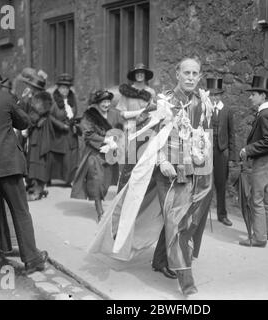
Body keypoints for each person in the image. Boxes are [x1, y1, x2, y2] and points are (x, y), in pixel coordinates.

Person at [89, 57, 213, 296]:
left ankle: (161, 261)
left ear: (199, 76)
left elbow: (203, 135)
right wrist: (161, 160)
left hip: (195, 171)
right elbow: (144, 133)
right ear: (177, 74)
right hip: (167, 171)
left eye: (194, 73)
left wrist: (204, 167)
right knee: (176, 222)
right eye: (185, 72)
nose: (190, 77)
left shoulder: (201, 101)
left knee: (186, 221)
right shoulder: (162, 100)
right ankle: (187, 284)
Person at [0, 58, 48, 286]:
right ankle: (32, 260)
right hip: (8, 165)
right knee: (20, 212)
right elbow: (24, 123)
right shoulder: (4, 97)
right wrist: (17, 104)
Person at [239, 76, 268, 247]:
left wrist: (247, 149)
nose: (250, 97)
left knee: (256, 198)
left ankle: (259, 238)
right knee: (266, 196)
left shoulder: (264, 115)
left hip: (264, 161)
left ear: (263, 96)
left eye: (254, 94)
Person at [71, 89, 123, 222]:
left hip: (110, 154)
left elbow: (121, 128)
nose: (106, 104)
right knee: (97, 181)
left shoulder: (114, 114)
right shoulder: (90, 115)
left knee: (105, 183)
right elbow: (88, 134)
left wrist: (115, 140)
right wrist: (105, 140)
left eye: (108, 101)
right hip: (94, 154)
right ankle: (100, 211)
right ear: (98, 103)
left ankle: (100, 200)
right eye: (103, 102)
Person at [116, 63, 156, 191]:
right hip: (131, 128)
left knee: (143, 161)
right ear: (134, 75)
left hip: (146, 128)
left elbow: (154, 110)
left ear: (145, 75)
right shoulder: (126, 91)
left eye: (142, 72)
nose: (140, 75)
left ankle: (139, 193)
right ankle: (123, 191)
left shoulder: (150, 92)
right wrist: (139, 113)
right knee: (128, 161)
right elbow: (122, 113)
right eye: (137, 73)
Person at [207, 78, 236, 226]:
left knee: (221, 183)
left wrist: (232, 157)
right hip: (205, 151)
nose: (214, 98)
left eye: (217, 95)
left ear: (220, 95)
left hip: (221, 151)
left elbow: (232, 134)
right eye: (211, 95)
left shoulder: (227, 110)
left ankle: (222, 214)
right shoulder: (203, 109)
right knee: (203, 183)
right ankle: (199, 214)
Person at [48, 73, 79, 186]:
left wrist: (74, 123)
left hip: (70, 132)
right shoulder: (54, 100)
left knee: (72, 156)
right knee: (60, 157)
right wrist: (61, 125)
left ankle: (70, 179)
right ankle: (54, 179)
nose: (65, 90)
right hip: (59, 133)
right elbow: (49, 116)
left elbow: (75, 112)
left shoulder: (72, 98)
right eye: (62, 88)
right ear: (58, 88)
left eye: (67, 88)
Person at [25, 91, 55, 201]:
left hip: (39, 137)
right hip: (38, 135)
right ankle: (36, 187)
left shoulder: (40, 99)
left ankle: (36, 189)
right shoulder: (41, 98)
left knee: (37, 162)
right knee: (36, 162)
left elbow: (31, 119)